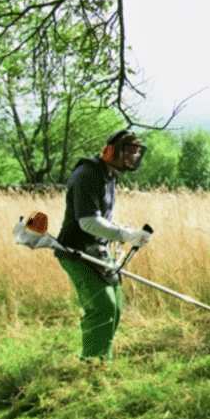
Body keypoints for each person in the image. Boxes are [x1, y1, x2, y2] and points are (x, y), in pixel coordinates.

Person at [56, 129, 152, 361]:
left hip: (98, 251)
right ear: (111, 152)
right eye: (128, 153)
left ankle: (102, 360)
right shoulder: (87, 174)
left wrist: (124, 232)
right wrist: (126, 234)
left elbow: (102, 220)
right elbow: (88, 221)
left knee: (116, 306)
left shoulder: (108, 176)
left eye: (135, 154)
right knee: (102, 308)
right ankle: (92, 365)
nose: (132, 159)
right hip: (76, 251)